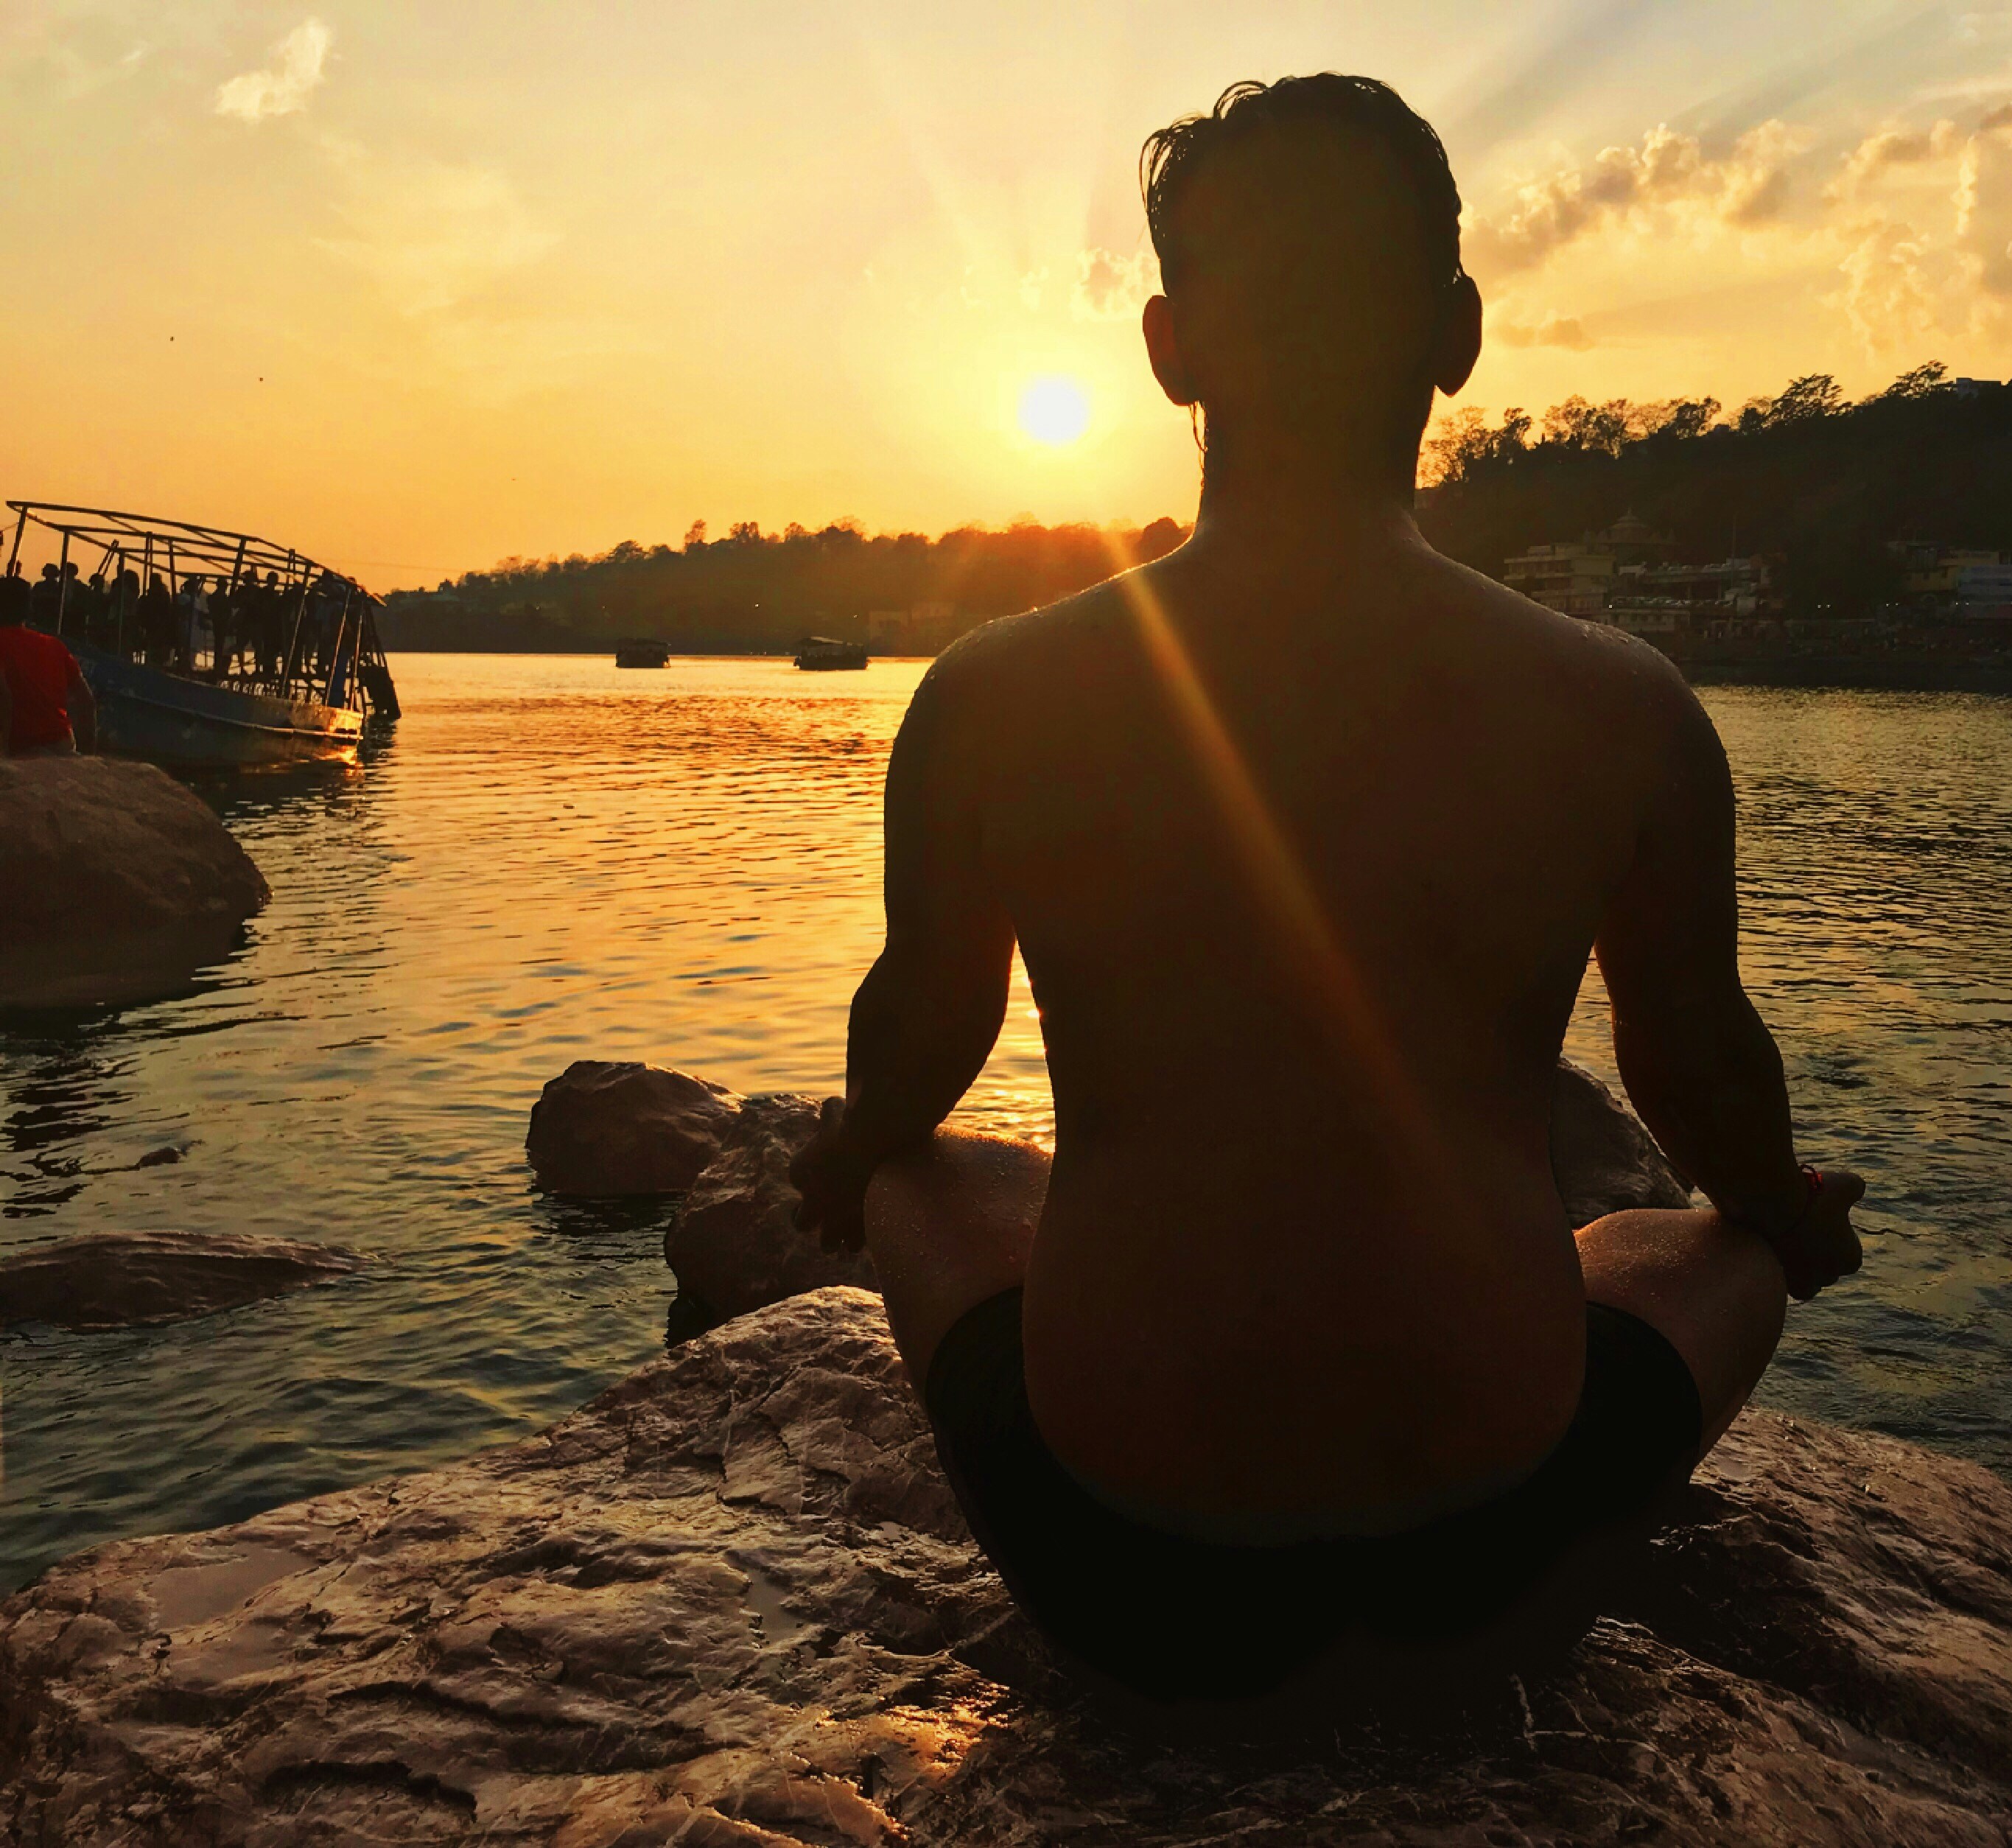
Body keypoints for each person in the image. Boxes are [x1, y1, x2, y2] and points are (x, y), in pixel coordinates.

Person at [790, 74, 1865, 1709]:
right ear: (1455, 335)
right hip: (1489, 1561)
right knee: (1693, 1246)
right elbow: (1704, 1078)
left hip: (1119, 1570)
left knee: (936, 1178)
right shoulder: (1621, 705)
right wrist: (1784, 1213)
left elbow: (917, 1055)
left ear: (1169, 350)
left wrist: (849, 1156)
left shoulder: (994, 697)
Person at [0, 571, 97, 756]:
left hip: (22, 748)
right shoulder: (54, 645)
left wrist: (5, 750)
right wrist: (89, 758)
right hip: (62, 743)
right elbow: (87, 703)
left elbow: (4, 696)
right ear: (29, 609)